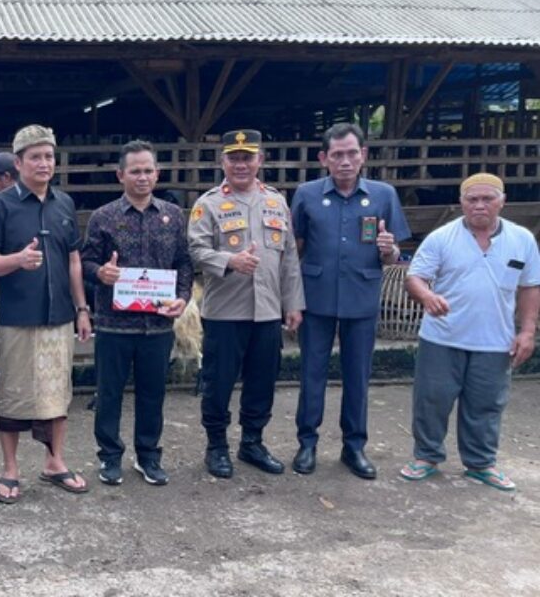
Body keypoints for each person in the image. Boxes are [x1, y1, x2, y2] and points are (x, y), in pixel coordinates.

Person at [400, 173, 539, 492]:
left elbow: (530, 287)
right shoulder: (442, 237)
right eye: (471, 199)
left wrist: (528, 331)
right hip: (442, 336)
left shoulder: (522, 240)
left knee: (487, 403)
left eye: (487, 199)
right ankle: (426, 456)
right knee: (431, 399)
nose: (479, 205)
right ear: (461, 203)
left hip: (495, 339)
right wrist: (427, 296)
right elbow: (415, 278)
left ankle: (480, 463)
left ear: (502, 202)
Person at [0, 124, 93, 503]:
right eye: (35, 157)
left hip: (60, 313)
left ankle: (54, 461)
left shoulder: (64, 203)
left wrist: (81, 308)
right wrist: (17, 259)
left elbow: (73, 259)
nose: (43, 163)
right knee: (14, 392)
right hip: (18, 315)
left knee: (57, 392)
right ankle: (10, 468)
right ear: (19, 162)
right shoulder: (1, 205)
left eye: (48, 156)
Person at [290, 123, 411, 479]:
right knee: (311, 373)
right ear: (323, 158)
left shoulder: (383, 194)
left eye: (352, 153)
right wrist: (291, 298)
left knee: (358, 375)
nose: (345, 161)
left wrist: (390, 251)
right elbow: (294, 249)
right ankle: (307, 443)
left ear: (364, 155)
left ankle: (354, 446)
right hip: (316, 296)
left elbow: (394, 254)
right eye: (337, 154)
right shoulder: (307, 194)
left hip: (362, 296)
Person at [187, 129, 304, 479]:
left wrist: (293, 303)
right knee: (218, 382)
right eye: (234, 158)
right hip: (225, 312)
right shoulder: (207, 204)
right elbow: (195, 250)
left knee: (262, 381)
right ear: (223, 161)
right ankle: (217, 446)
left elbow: (290, 257)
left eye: (247, 157)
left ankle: (252, 442)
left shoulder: (276, 201)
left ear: (260, 161)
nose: (241, 164)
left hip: (268, 311)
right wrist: (228, 261)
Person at [81, 140, 193, 486]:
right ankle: (110, 457)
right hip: (115, 324)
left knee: (152, 393)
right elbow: (85, 261)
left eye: (148, 170)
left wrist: (182, 298)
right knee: (109, 393)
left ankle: (148, 456)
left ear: (157, 174)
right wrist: (100, 273)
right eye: (135, 171)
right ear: (121, 175)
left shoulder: (173, 216)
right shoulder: (103, 217)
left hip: (157, 324)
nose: (142, 177)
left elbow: (184, 263)